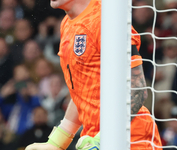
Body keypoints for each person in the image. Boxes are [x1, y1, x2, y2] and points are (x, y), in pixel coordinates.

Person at [25, 0, 162, 150]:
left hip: (131, 137)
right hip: (92, 138)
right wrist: (57, 143)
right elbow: (81, 93)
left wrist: (106, 138)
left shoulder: (107, 19)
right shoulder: (66, 24)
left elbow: (137, 90)